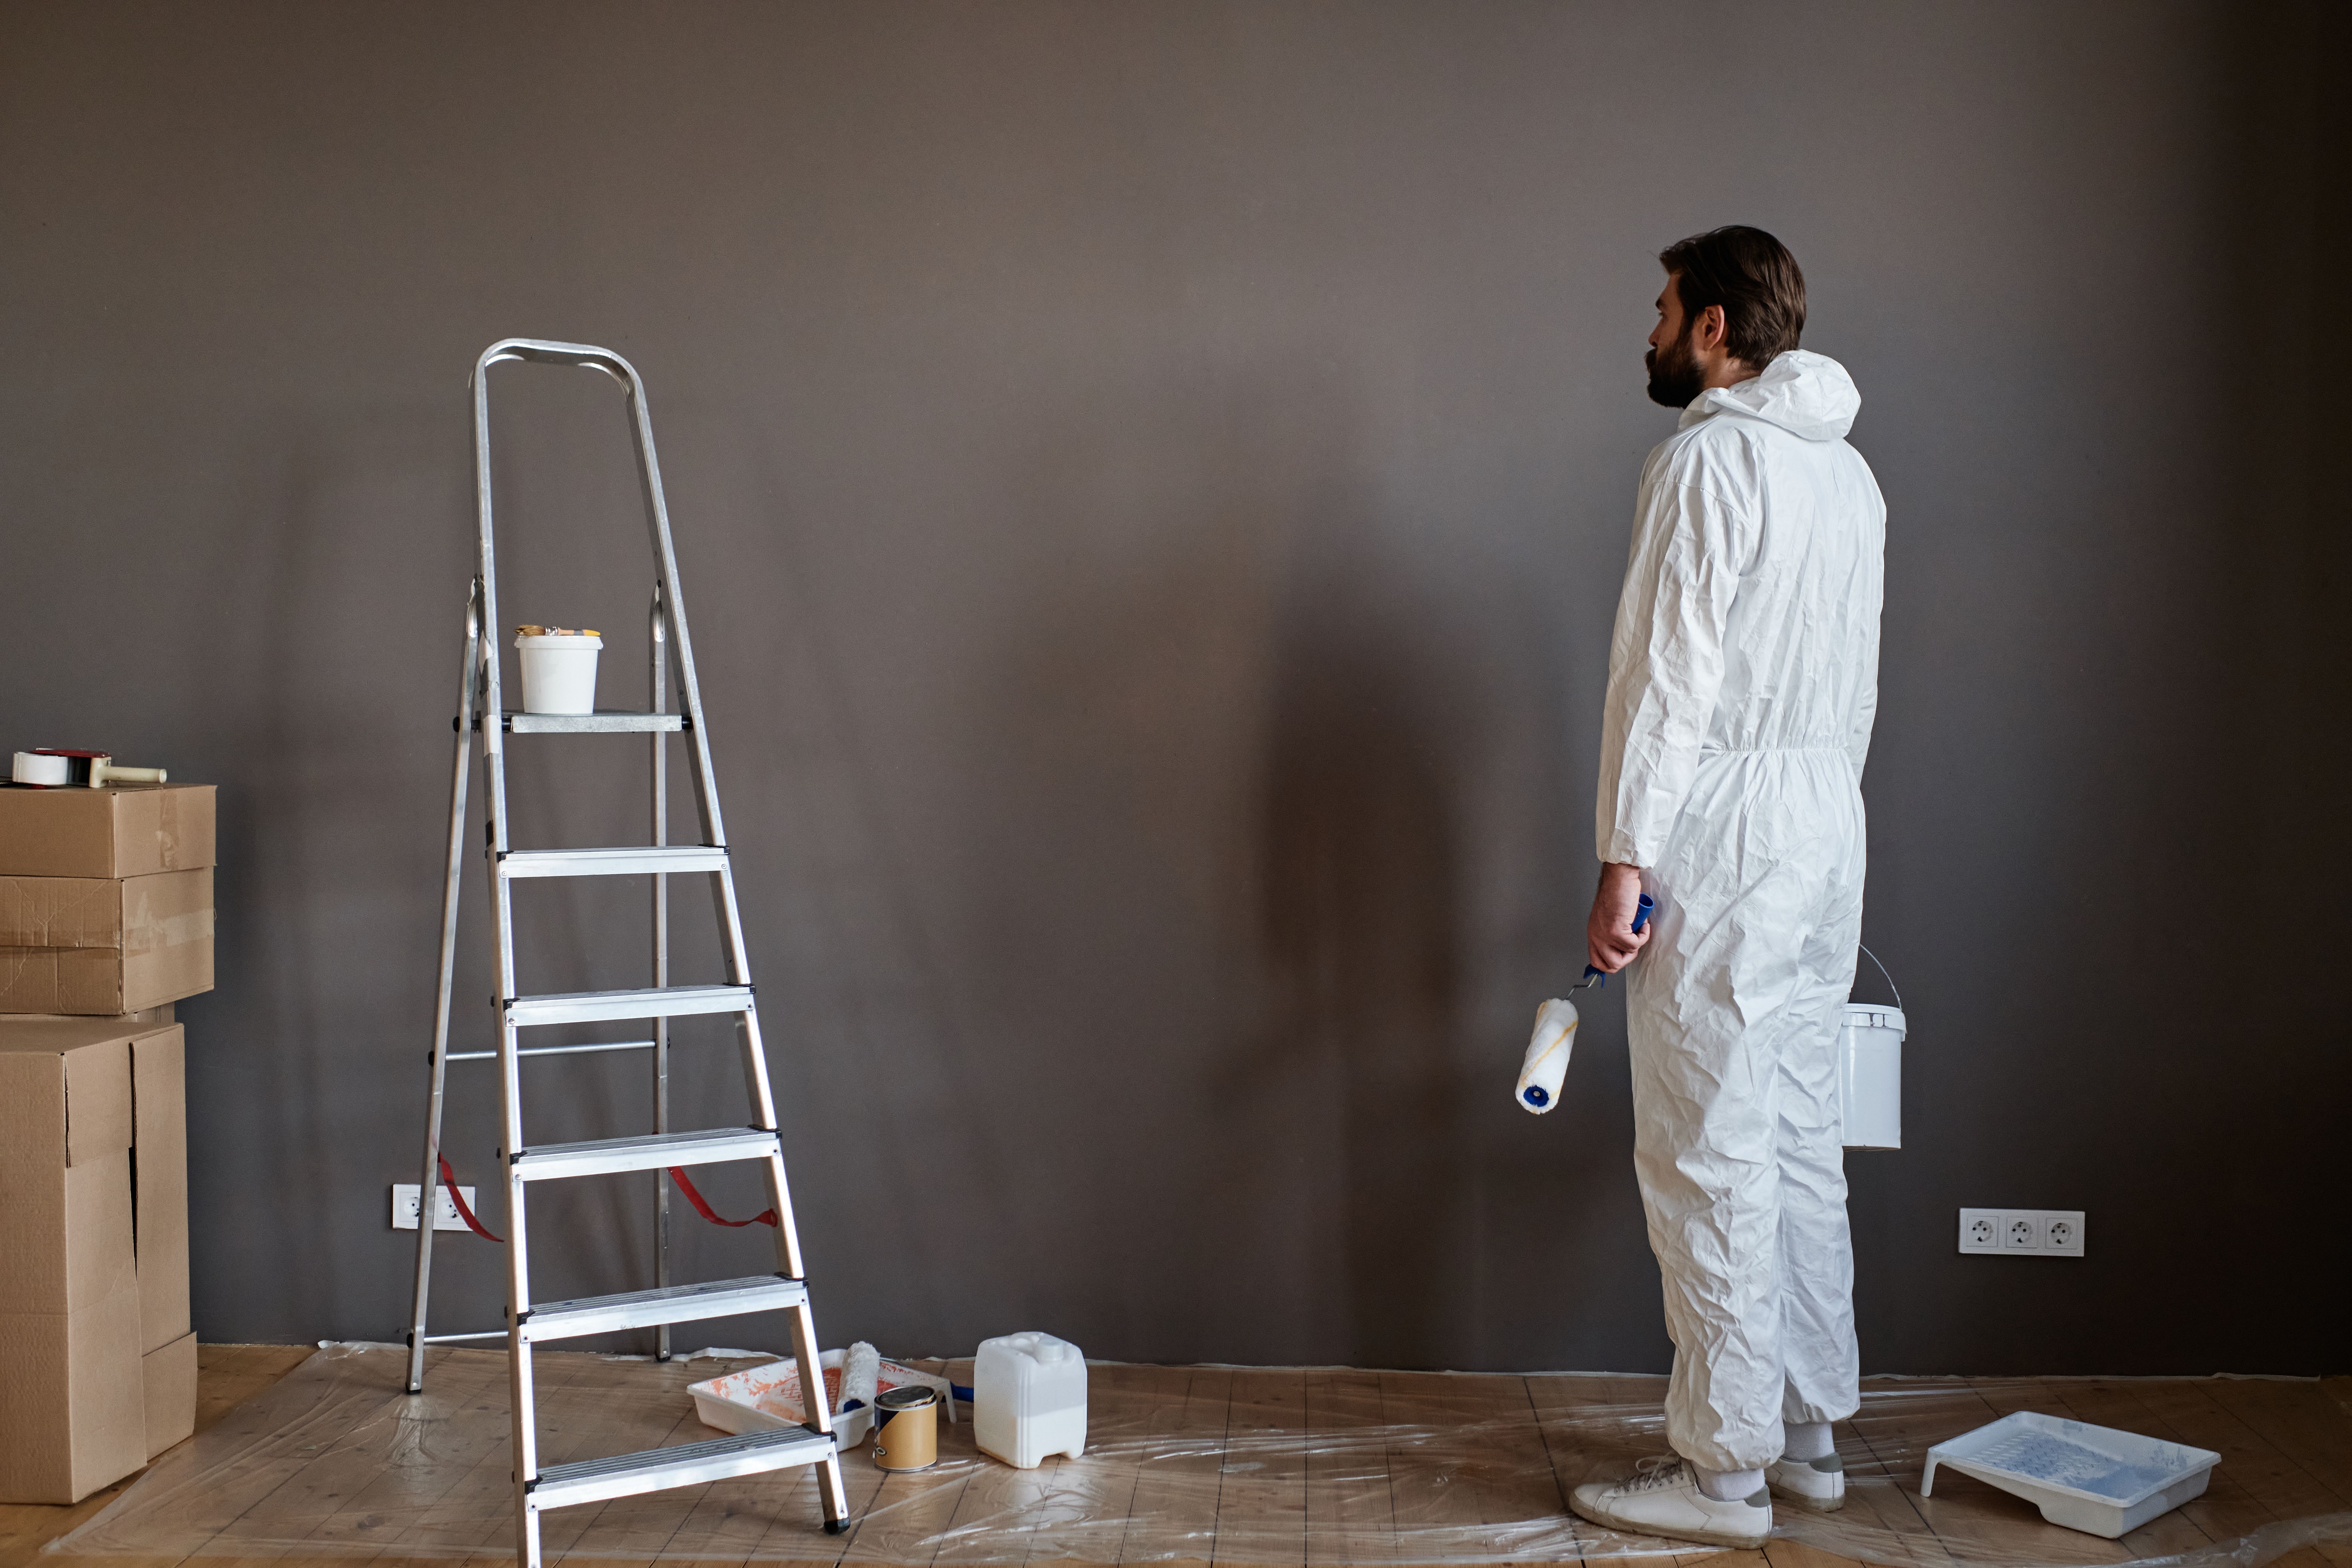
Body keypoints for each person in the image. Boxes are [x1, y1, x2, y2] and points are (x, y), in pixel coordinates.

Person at [1566, 226, 1886, 1549]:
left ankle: (1721, 1476)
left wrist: (1624, 858)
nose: (1646, 332)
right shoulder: (1852, 479)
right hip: (1825, 830)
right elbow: (1853, 684)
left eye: (1661, 311)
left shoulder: (1707, 459)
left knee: (1708, 1146)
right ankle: (1806, 1439)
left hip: (1732, 832)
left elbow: (1667, 677)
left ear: (1712, 328)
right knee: (1802, 1137)